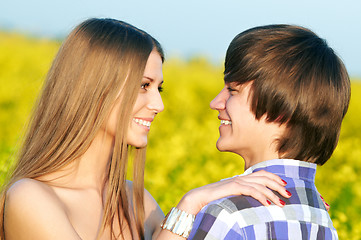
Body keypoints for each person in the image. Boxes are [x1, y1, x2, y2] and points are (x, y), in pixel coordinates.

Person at [0, 18, 292, 240]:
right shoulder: (30, 198)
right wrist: (191, 203)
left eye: (159, 88)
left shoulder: (137, 201)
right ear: (92, 89)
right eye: (143, 86)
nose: (158, 105)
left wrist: (294, 217)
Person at [188, 24, 350, 240]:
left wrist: (191, 203)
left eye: (233, 90)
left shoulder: (228, 215)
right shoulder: (323, 220)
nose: (215, 102)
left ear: (282, 108)